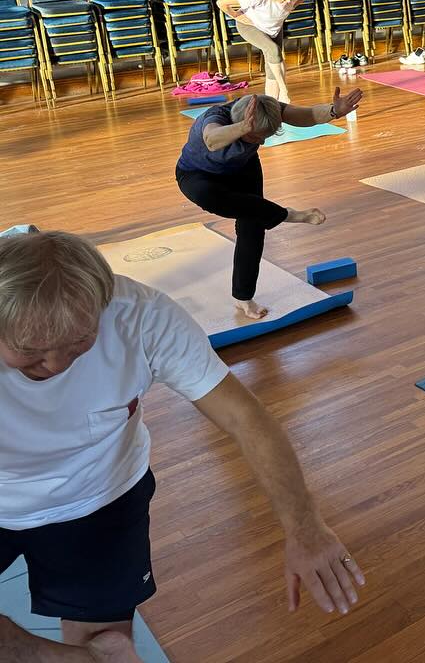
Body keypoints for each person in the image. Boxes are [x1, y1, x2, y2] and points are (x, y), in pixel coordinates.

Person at [0, 230, 362, 662]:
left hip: (102, 495)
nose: (58, 364)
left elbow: (245, 418)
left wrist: (305, 525)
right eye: (32, 351)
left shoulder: (142, 315)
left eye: (79, 341)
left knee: (105, 637)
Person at [175, 89, 363, 319]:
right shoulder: (215, 118)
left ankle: (243, 297)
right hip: (197, 174)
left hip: (243, 167)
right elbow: (211, 140)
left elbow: (307, 115)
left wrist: (334, 111)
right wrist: (242, 128)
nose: (262, 141)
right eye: (257, 138)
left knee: (253, 226)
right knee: (208, 195)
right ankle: (286, 214)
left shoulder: (264, 108)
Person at [217, 0, 311, 102]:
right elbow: (221, 2)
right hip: (250, 26)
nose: (289, 1)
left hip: (273, 29)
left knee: (273, 62)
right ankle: (284, 91)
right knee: (273, 50)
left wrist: (295, 4)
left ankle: (272, 102)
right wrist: (236, 16)